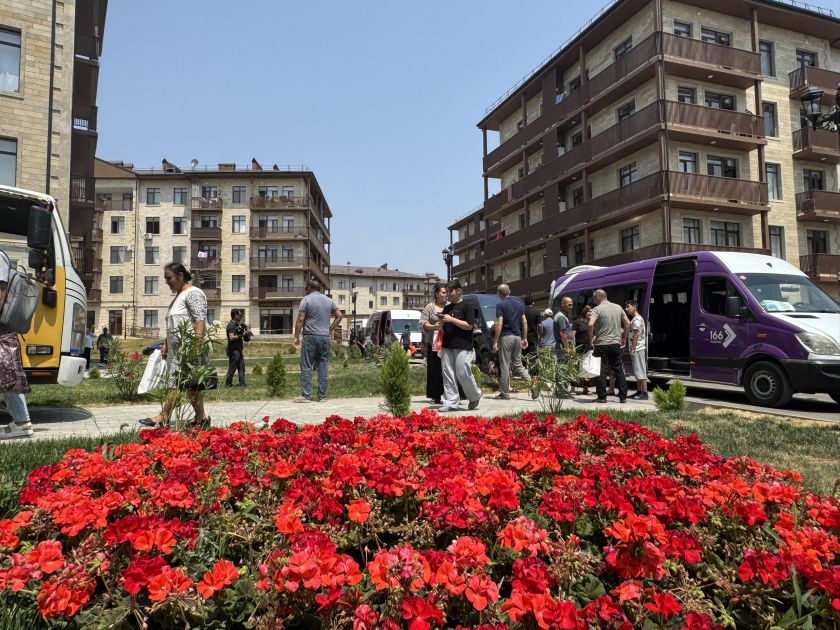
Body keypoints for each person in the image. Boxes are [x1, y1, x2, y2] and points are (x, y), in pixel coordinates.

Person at [140, 263, 211, 428]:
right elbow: (175, 324)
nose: (166, 282)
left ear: (180, 276)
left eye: (169, 278)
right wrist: (166, 343)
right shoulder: (179, 296)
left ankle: (164, 416)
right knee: (191, 386)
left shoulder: (193, 293)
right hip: (178, 349)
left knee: (175, 383)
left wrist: (196, 347)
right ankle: (201, 418)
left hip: (189, 349)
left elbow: (199, 320)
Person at [293, 279, 342, 403]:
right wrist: (330, 329)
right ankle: (322, 396)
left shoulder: (306, 299)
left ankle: (306, 396)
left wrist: (296, 336)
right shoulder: (329, 300)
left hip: (310, 336)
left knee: (306, 365)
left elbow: (301, 319)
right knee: (323, 366)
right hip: (324, 337)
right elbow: (339, 315)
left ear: (309, 287)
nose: (305, 290)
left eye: (306, 288)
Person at [438, 280, 481, 412]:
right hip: (447, 344)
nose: (447, 294)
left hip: (463, 345)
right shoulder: (447, 308)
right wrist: (440, 323)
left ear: (458, 291)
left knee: (463, 372)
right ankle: (451, 402)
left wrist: (451, 319)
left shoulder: (467, 305)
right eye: (446, 292)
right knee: (448, 373)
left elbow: (469, 326)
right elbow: (443, 327)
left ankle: (474, 396)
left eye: (450, 291)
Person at [588, 289, 630, 403]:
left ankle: (602, 397)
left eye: (594, 299)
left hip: (601, 344)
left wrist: (591, 339)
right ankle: (623, 397)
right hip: (615, 344)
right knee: (618, 369)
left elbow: (590, 324)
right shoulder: (618, 307)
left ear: (597, 297)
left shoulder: (597, 309)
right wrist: (624, 338)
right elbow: (627, 323)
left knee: (601, 370)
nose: (594, 301)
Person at [492, 284, 530, 400]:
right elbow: (524, 322)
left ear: (499, 293)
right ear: (509, 291)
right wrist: (524, 338)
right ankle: (534, 385)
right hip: (517, 337)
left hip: (506, 337)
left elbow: (499, 323)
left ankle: (504, 393)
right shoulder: (519, 304)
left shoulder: (500, 305)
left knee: (505, 366)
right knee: (518, 364)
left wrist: (495, 341)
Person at [0, 334, 33, 439]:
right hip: (7, 340)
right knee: (9, 379)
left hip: (4, 341)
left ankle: (21, 423)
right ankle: (22, 423)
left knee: (9, 380)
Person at [420, 284, 447, 405]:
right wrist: (434, 326)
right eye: (443, 292)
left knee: (448, 369)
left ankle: (450, 395)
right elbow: (423, 323)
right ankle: (435, 395)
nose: (445, 295)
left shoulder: (449, 306)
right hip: (434, 343)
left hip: (449, 343)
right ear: (437, 294)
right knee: (435, 369)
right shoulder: (429, 307)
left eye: (446, 292)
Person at [625, 300, 649, 400]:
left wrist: (633, 348)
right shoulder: (635, 319)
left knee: (640, 370)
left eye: (628, 306)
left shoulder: (637, 320)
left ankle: (645, 392)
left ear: (634, 307)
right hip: (637, 348)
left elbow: (636, 334)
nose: (626, 309)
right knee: (637, 370)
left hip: (638, 348)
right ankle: (639, 391)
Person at [552, 296, 575, 397]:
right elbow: (562, 333)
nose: (571, 307)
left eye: (572, 305)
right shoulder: (561, 316)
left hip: (563, 345)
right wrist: (567, 347)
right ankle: (562, 392)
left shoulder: (562, 316)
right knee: (563, 369)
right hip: (563, 346)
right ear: (562, 304)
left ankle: (562, 391)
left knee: (564, 368)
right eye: (569, 305)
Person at [225, 309, 249, 387]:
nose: (241, 316)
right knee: (232, 368)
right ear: (235, 315)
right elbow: (231, 337)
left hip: (239, 349)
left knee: (241, 367)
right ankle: (228, 384)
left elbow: (241, 331)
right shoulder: (231, 325)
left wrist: (246, 330)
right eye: (240, 315)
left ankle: (242, 384)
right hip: (233, 350)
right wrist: (242, 335)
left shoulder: (237, 324)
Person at [574, 305, 594, 395]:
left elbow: (595, 334)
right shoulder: (578, 322)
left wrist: (593, 341)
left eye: (592, 312)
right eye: (589, 311)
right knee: (576, 367)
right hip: (578, 347)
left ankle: (585, 388)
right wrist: (572, 347)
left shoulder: (592, 323)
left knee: (587, 368)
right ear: (585, 312)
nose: (590, 313)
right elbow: (573, 335)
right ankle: (573, 387)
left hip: (589, 347)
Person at [522, 295, 541, 368]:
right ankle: (533, 372)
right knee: (533, 356)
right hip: (533, 337)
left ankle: (524, 371)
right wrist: (541, 335)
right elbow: (539, 325)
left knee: (523, 355)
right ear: (533, 303)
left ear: (524, 303)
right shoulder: (536, 312)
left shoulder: (522, 312)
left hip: (523, 336)